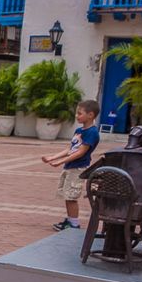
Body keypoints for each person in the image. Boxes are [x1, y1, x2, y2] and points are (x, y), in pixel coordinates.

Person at [43, 99, 100, 231]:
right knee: (67, 195)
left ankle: (74, 224)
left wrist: (61, 161)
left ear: (90, 115)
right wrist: (53, 157)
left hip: (78, 169)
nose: (76, 116)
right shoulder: (79, 130)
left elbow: (80, 153)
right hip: (70, 167)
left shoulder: (92, 133)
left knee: (71, 196)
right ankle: (70, 220)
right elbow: (70, 149)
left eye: (79, 113)